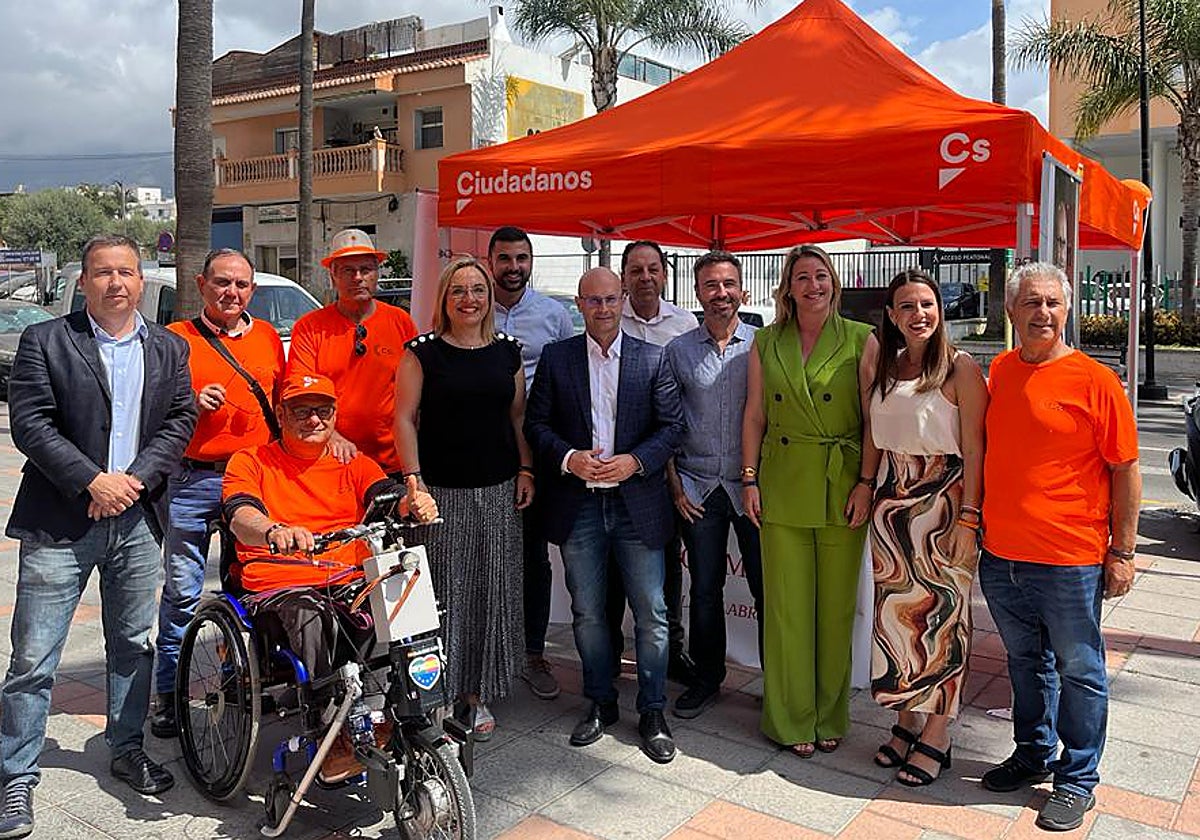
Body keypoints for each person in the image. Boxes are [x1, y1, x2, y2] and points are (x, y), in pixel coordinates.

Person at [0, 234, 197, 837]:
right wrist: (92, 481)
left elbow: (180, 419)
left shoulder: (168, 348)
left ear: (142, 282)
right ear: (81, 282)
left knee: (133, 644)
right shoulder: (47, 341)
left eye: (127, 273)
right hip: (63, 518)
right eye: (103, 273)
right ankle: (15, 776)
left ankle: (126, 746)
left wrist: (132, 481)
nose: (116, 283)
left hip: (137, 519)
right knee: (34, 657)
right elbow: (30, 424)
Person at [977, 262, 1140, 832]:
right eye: (1031, 303)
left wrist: (1123, 551)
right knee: (1026, 662)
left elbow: (1124, 469)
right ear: (1011, 311)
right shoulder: (999, 369)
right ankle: (1032, 752)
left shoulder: (1096, 381)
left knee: (1080, 669)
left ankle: (1076, 780)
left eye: (1052, 303)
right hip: (1001, 556)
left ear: (1066, 311)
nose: (1042, 312)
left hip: (1071, 559)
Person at [222, 373, 438, 783]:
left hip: (347, 577)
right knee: (311, 616)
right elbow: (240, 515)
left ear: (335, 415)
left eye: (323, 411)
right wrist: (273, 532)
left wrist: (414, 503)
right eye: (302, 411)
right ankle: (330, 736)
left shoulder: (351, 461)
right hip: (280, 582)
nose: (314, 420)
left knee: (407, 594)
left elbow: (385, 498)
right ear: (281, 415)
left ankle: (406, 710)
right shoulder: (250, 461)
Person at [525, 267, 684, 764]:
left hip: (637, 503)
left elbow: (673, 427)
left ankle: (653, 710)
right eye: (593, 301)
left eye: (611, 299)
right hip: (580, 506)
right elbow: (536, 423)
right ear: (579, 304)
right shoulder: (557, 358)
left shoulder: (653, 359)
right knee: (589, 613)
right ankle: (601, 702)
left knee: (653, 614)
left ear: (623, 301)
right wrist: (570, 458)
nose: (604, 309)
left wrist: (635, 460)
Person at [741, 244, 874, 758]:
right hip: (781, 483)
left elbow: (871, 422)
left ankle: (828, 713)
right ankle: (789, 718)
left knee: (836, 609)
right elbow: (754, 414)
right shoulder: (765, 341)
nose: (813, 285)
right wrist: (749, 480)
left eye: (821, 276)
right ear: (788, 287)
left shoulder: (863, 340)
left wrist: (865, 482)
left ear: (833, 283)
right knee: (786, 610)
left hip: (841, 487)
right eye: (802, 277)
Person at [395, 256, 532, 741]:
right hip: (440, 494)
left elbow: (516, 419)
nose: (469, 299)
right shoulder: (422, 353)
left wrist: (526, 467)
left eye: (477, 290)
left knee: (489, 591)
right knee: (444, 596)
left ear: (489, 298)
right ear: (444, 300)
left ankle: (476, 693)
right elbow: (404, 420)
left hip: (497, 491)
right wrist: (415, 482)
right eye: (459, 291)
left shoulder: (509, 352)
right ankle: (440, 691)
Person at [150, 248, 286, 739]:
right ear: (201, 284)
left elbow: (284, 402)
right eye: (223, 283)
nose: (232, 292)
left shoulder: (270, 338)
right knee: (183, 594)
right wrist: (189, 398)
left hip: (250, 481)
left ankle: (236, 681)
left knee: (248, 586)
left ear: (253, 290)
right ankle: (168, 694)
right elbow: (148, 406)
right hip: (189, 479)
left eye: (242, 285)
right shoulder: (175, 340)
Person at [859, 268, 987, 786]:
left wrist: (971, 518)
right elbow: (872, 433)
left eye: (927, 304)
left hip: (944, 506)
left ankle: (938, 732)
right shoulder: (885, 367)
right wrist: (866, 486)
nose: (919, 314)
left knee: (944, 623)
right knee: (896, 624)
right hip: (891, 507)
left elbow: (977, 448)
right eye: (907, 306)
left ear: (941, 310)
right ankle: (906, 718)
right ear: (892, 315)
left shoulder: (962, 369)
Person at [664, 251, 763, 720]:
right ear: (697, 292)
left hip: (751, 490)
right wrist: (675, 487)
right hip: (699, 487)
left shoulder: (763, 346)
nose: (720, 294)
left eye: (728, 284)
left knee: (767, 589)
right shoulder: (678, 351)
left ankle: (779, 685)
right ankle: (707, 678)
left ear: (742, 290)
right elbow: (665, 424)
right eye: (710, 285)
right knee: (704, 589)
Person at [488, 226, 574, 702]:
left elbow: (567, 380)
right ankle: (490, 651)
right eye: (505, 259)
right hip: (480, 452)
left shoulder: (555, 315)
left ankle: (533, 652)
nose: (514, 267)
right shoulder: (473, 309)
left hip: (535, 456)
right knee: (486, 556)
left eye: (522, 258)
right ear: (491, 261)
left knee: (533, 560)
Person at [617, 240, 696, 685]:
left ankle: (674, 651)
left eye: (652, 269)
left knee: (667, 567)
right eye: (635, 270)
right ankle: (612, 651)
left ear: (664, 274)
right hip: (618, 466)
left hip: (667, 467)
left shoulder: (683, 325)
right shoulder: (609, 317)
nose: (644, 277)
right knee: (612, 571)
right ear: (625, 276)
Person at [288, 228, 417, 475]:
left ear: (377, 273)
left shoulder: (401, 322)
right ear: (333, 275)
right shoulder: (309, 328)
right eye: (348, 270)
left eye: (365, 269)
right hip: (333, 460)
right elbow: (300, 392)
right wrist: (333, 437)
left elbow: (416, 391)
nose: (357, 277)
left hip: (393, 461)